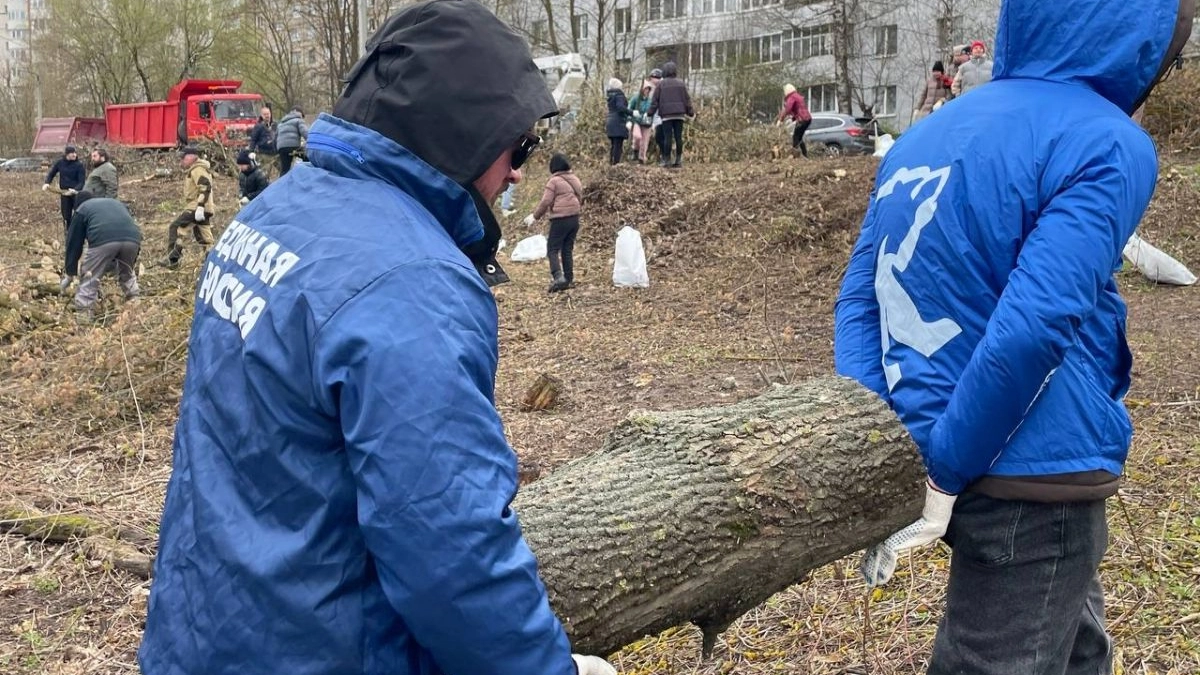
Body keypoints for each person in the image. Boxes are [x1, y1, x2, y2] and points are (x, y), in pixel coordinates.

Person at [137, 2, 618, 674]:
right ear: (461, 132)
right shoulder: (412, 282)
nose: (518, 171)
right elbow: (451, 553)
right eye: (518, 145)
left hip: (201, 634)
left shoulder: (274, 212)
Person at [834, 0, 1193, 674]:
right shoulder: (1108, 141)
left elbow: (859, 299)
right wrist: (945, 467)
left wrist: (887, 436)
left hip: (944, 446)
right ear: (1136, 42)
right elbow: (1035, 325)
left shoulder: (920, 139)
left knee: (1077, 643)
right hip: (1031, 471)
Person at [60, 190, 141, 314]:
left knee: (90, 278)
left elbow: (73, 243)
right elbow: (127, 226)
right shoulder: (115, 203)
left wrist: (70, 274)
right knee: (127, 273)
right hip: (133, 239)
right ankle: (135, 305)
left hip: (103, 239)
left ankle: (84, 316)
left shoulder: (82, 209)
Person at [524, 153, 582, 293]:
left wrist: (535, 216)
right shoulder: (575, 179)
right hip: (574, 218)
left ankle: (558, 277)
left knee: (552, 249)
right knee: (567, 249)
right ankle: (568, 278)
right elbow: (580, 196)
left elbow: (546, 201)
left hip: (560, 219)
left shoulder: (554, 181)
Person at [159, 146, 215, 268]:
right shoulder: (199, 168)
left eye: (183, 158)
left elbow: (205, 187)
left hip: (197, 207)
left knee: (176, 227)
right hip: (205, 207)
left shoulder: (198, 169)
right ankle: (212, 261)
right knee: (205, 237)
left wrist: (200, 206)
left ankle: (172, 260)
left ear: (191, 156)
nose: (182, 161)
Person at [648, 61, 693, 168]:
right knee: (678, 137)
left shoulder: (661, 84)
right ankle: (678, 159)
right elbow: (686, 99)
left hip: (666, 115)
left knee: (668, 137)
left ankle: (666, 160)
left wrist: (650, 113)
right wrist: (690, 112)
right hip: (679, 114)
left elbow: (655, 101)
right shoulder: (681, 83)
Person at [42, 145, 86, 235]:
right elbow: (52, 173)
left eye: (75, 153)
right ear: (66, 154)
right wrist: (47, 183)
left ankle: (79, 232)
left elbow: (82, 181)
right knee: (66, 215)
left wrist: (75, 190)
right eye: (72, 153)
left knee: (78, 213)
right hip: (64, 192)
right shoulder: (60, 163)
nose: (74, 155)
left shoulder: (79, 165)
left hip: (75, 193)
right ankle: (67, 232)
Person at [776, 83, 813, 158]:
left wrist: (780, 119)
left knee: (795, 138)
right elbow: (799, 109)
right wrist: (793, 118)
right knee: (799, 138)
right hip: (807, 119)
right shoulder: (797, 96)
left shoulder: (792, 97)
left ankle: (795, 156)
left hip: (802, 120)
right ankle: (805, 155)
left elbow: (788, 108)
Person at [605, 78, 632, 165]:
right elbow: (620, 107)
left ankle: (611, 163)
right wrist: (631, 112)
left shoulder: (610, 96)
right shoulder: (619, 95)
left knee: (613, 145)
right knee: (618, 145)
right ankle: (616, 164)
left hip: (610, 121)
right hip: (618, 122)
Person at [276, 106, 309, 175]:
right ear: (300, 113)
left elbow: (275, 137)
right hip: (293, 147)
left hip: (281, 148)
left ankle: (282, 184)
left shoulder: (281, 123)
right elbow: (305, 133)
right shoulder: (298, 120)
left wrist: (276, 150)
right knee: (308, 158)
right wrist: (312, 141)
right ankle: (307, 174)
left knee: (285, 169)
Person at [628, 82, 654, 163]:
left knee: (645, 141)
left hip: (647, 122)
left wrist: (653, 122)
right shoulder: (635, 99)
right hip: (637, 121)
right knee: (637, 136)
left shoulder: (650, 101)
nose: (646, 91)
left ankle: (642, 158)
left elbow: (653, 110)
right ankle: (635, 150)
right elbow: (629, 109)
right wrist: (629, 120)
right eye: (645, 89)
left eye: (648, 89)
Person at [248, 105, 277, 173]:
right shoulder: (258, 126)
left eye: (268, 114)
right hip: (264, 154)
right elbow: (253, 139)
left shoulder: (275, 125)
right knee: (263, 174)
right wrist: (251, 151)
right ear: (261, 115)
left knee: (283, 171)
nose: (267, 116)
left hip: (276, 153)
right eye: (265, 114)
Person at [647, 68, 665, 162]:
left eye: (652, 78)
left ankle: (665, 156)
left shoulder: (662, 87)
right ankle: (662, 156)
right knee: (659, 138)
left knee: (661, 137)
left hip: (663, 117)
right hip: (656, 118)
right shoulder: (652, 88)